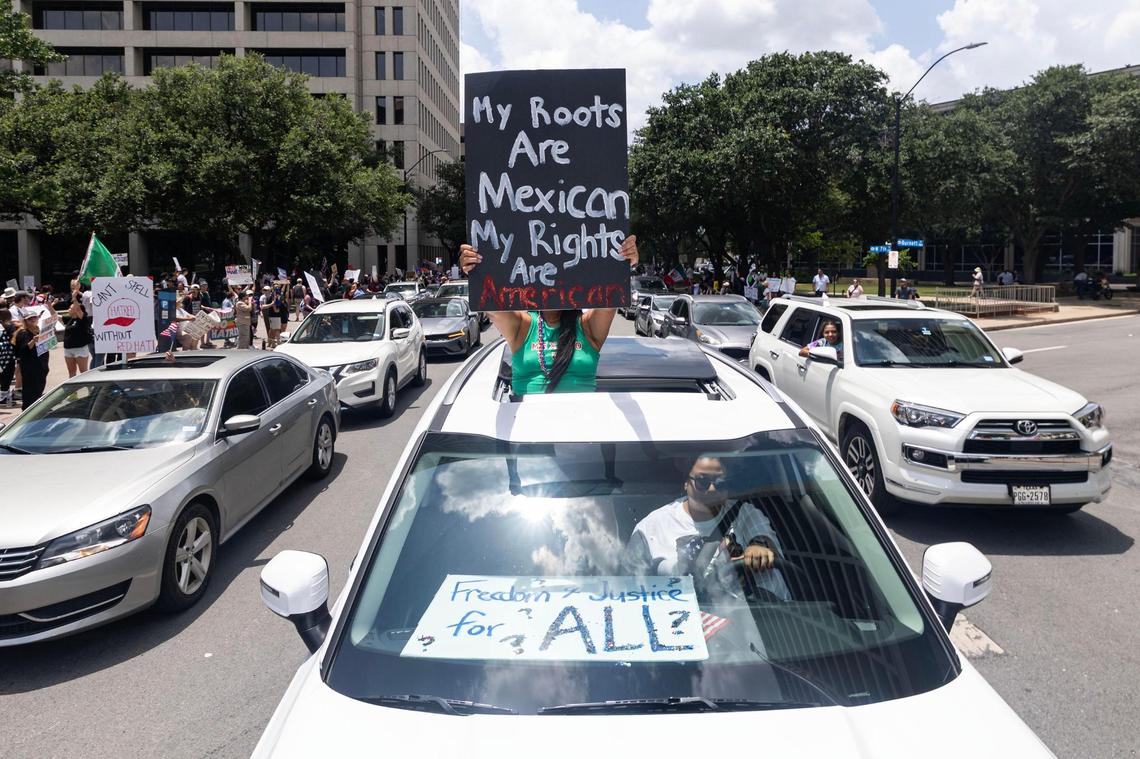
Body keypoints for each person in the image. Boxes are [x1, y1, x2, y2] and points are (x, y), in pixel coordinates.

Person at [458, 235, 639, 395]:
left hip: (583, 423)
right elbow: (492, 306)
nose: (551, 284)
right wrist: (475, 270)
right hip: (526, 425)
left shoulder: (587, 326)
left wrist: (623, 262)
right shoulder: (524, 326)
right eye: (545, 275)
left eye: (558, 278)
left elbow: (611, 301)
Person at [621, 455, 789, 601]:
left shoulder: (744, 512)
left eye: (721, 483)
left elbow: (764, 538)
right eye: (703, 481)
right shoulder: (652, 526)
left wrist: (759, 547)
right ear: (686, 483)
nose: (712, 489)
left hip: (769, 619)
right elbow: (627, 590)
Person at [12, 310, 48, 409]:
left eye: (34, 317)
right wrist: (33, 341)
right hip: (30, 367)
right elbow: (22, 351)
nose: (32, 320)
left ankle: (36, 407)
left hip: (40, 365)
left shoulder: (37, 329)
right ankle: (28, 409)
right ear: (25, 320)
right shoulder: (23, 333)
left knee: (38, 387)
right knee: (30, 390)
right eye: (29, 319)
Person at [61, 297, 92, 376]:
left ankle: (88, 387)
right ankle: (73, 388)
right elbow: (55, 316)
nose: (69, 309)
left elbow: (78, 309)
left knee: (83, 372)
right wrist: (50, 306)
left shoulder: (83, 319)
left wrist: (75, 298)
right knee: (71, 372)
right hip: (68, 349)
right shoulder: (70, 319)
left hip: (80, 349)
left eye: (71, 308)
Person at [0, 309, 14, 406]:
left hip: (9, 355)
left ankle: (5, 396)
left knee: (7, 376)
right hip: (3, 356)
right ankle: (2, 398)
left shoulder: (8, 326)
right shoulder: (3, 327)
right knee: (5, 376)